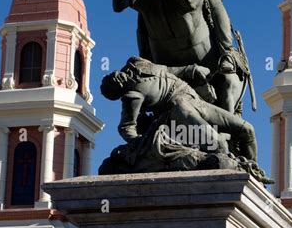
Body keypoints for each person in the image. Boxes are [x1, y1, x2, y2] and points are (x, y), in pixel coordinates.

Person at [101, 56, 258, 162]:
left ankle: (255, 177)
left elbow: (168, 71)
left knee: (248, 130)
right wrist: (141, 143)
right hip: (179, 109)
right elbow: (126, 127)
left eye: (110, 77)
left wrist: (191, 69)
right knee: (218, 146)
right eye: (113, 85)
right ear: (119, 91)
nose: (115, 78)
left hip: (196, 100)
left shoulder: (136, 62)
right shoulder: (132, 96)